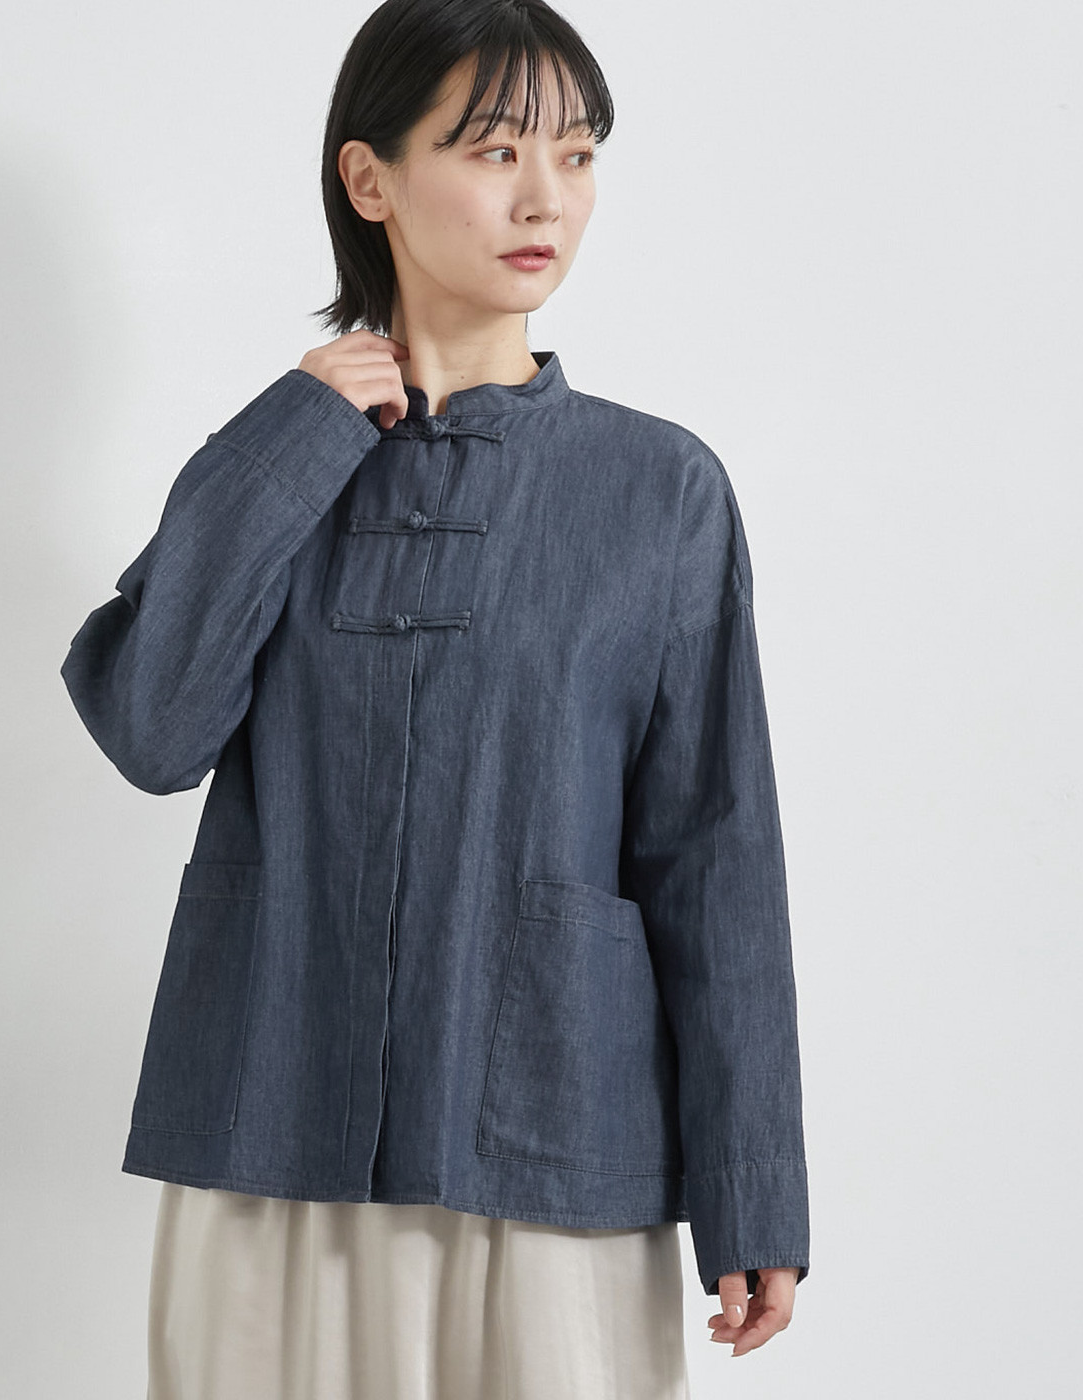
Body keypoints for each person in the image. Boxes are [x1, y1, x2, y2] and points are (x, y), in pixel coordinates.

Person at [60, 0, 810, 1394]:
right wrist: (291, 438)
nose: (547, 198)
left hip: (555, 1142)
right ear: (371, 179)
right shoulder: (277, 465)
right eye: (495, 149)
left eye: (577, 155)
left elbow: (717, 855)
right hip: (272, 1137)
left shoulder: (660, 491)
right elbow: (153, 731)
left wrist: (752, 1184)